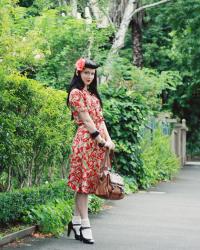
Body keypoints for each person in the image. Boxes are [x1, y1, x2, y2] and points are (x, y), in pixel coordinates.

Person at [66, 58, 115, 244]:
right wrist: (101, 140)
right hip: (86, 142)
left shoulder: (93, 95)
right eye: (86, 72)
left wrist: (109, 140)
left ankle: (76, 221)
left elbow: (100, 120)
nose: (89, 76)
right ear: (79, 72)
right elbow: (87, 120)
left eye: (92, 73)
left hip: (99, 145)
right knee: (84, 185)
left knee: (87, 183)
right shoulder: (76, 94)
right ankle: (85, 224)